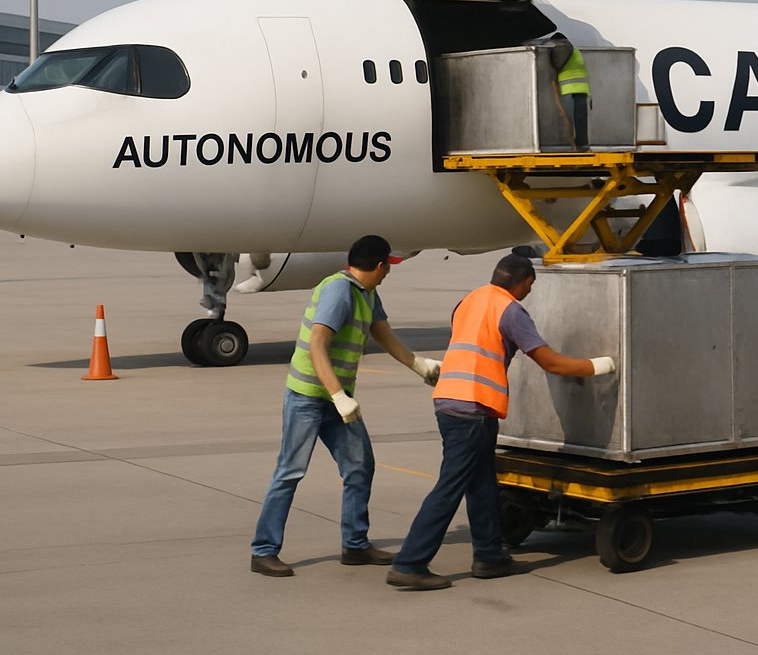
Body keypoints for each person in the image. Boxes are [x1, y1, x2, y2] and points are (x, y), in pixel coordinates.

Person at [387, 253, 616, 590]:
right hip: (472, 409)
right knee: (450, 487)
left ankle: (489, 557)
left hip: (451, 402)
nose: (528, 291)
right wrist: (597, 367)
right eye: (530, 285)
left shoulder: (469, 300)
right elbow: (550, 362)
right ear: (523, 281)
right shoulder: (509, 310)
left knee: (482, 486)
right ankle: (410, 563)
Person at [250, 235, 442, 577]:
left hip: (338, 400)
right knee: (290, 471)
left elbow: (382, 333)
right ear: (380, 265)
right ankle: (263, 550)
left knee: (360, 466)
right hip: (309, 396)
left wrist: (417, 365)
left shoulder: (367, 293)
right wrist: (338, 395)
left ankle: (355, 545)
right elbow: (317, 346)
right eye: (387, 268)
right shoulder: (339, 291)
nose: (387, 274)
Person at [547, 31, 591, 150]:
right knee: (580, 121)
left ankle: (568, 146)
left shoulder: (563, 48)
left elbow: (557, 65)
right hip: (582, 90)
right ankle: (582, 145)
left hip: (569, 90)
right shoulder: (576, 51)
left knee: (568, 120)